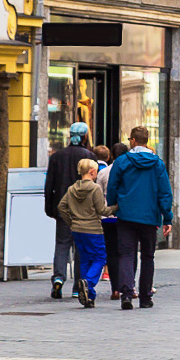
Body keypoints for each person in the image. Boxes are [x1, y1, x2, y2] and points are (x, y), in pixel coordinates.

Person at [105, 126, 173, 310]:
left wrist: (114, 204)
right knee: (148, 257)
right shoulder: (157, 163)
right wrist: (167, 217)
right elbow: (165, 193)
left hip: (126, 215)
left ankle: (126, 294)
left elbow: (112, 187)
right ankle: (145, 297)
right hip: (149, 216)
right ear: (147, 141)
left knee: (126, 254)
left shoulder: (122, 162)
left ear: (133, 141)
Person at [43, 122, 94, 300]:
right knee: (81, 247)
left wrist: (49, 208)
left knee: (62, 244)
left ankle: (58, 278)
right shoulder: (89, 157)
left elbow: (49, 186)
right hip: (83, 211)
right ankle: (78, 286)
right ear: (85, 136)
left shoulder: (57, 157)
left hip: (62, 208)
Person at [56, 158, 115, 307]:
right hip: (93, 229)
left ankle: (89, 296)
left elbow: (61, 207)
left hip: (77, 230)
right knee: (100, 258)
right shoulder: (95, 189)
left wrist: (71, 221)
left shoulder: (72, 189)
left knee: (84, 259)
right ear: (92, 172)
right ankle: (87, 284)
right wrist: (116, 208)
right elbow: (103, 210)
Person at [97, 142, 127, 299]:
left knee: (112, 253)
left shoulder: (103, 173)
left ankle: (115, 288)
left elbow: (99, 196)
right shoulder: (130, 171)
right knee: (127, 252)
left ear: (112, 156)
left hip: (107, 218)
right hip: (126, 217)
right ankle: (128, 285)